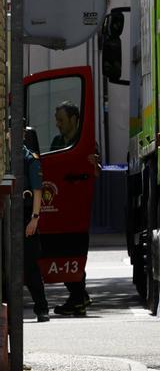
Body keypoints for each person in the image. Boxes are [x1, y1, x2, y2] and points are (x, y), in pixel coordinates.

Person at [48, 101, 99, 316]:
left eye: (61, 120)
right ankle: (79, 297)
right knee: (58, 250)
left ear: (74, 119)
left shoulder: (87, 143)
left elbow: (96, 173)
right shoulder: (57, 142)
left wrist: (93, 165)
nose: (58, 125)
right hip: (58, 206)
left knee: (75, 251)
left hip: (77, 206)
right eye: (57, 120)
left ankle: (78, 298)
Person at [23, 130, 50, 322]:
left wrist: (34, 218)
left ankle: (42, 308)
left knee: (29, 265)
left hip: (25, 216)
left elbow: (37, 190)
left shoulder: (29, 158)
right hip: (9, 214)